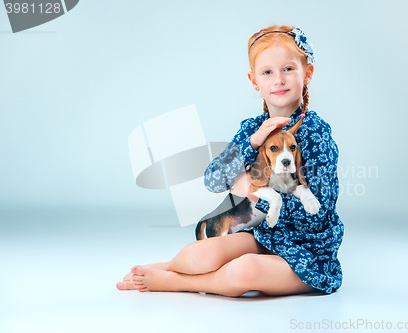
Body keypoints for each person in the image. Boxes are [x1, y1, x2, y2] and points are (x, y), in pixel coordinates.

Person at [116, 25, 344, 297]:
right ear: (254, 81)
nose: (278, 80)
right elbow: (213, 180)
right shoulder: (252, 129)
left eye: (288, 69)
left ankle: (176, 282)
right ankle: (168, 267)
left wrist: (248, 188)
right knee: (204, 253)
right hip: (265, 236)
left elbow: (317, 213)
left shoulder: (316, 133)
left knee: (244, 269)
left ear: (307, 73)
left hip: (308, 250)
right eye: (267, 72)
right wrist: (252, 144)